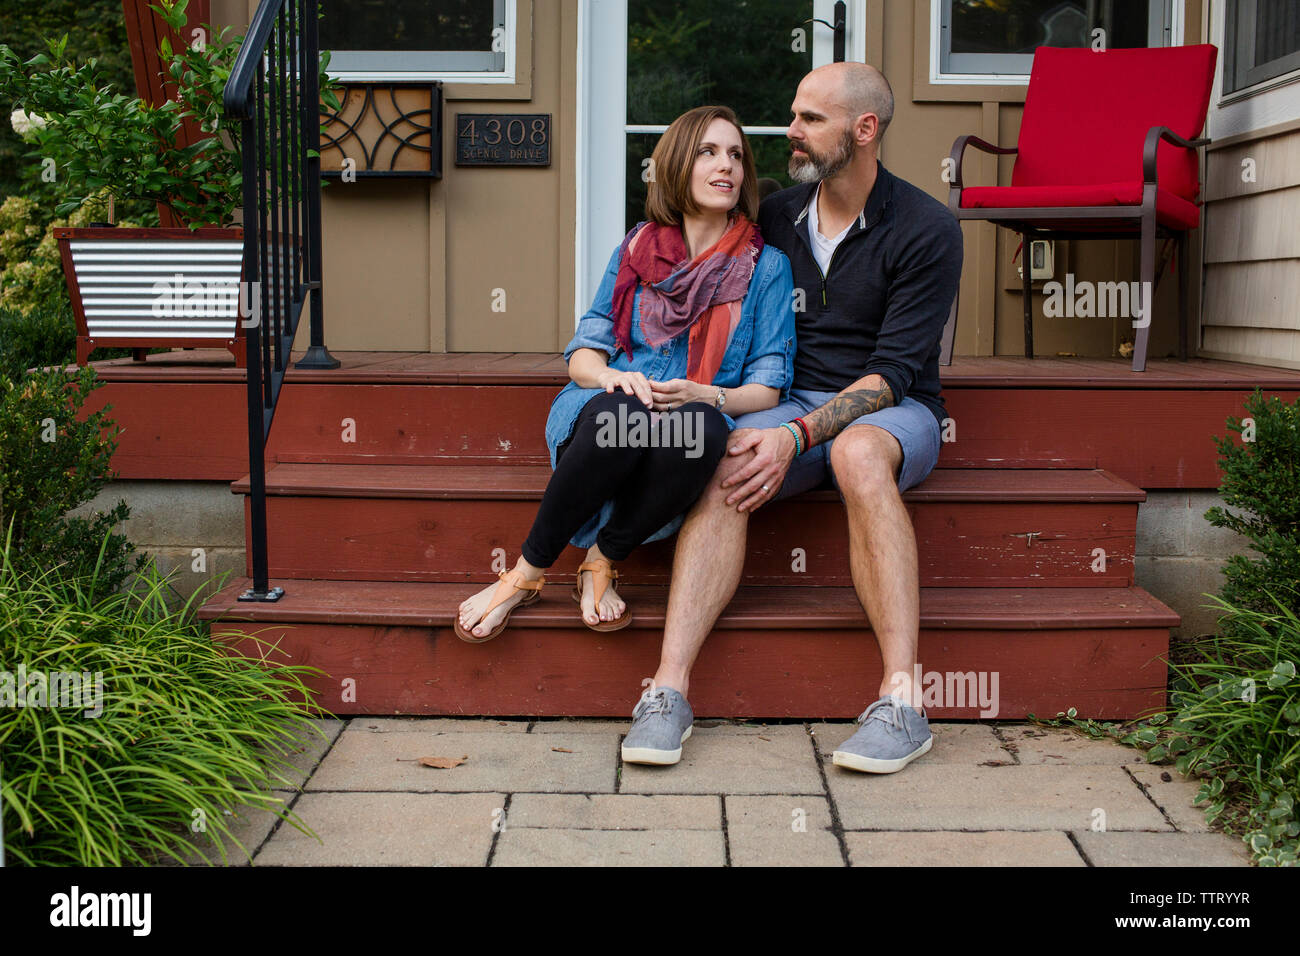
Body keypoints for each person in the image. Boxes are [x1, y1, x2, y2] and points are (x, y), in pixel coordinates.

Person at [620, 62, 963, 771]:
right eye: (794, 114)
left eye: (811, 118)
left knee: (858, 453)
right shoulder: (776, 217)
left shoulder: (927, 228)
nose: (792, 131)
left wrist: (796, 435)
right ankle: (667, 690)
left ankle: (903, 703)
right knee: (729, 454)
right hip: (786, 402)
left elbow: (892, 375)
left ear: (863, 130)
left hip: (894, 410)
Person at [455, 105, 796, 645]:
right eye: (708, 152)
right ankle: (526, 571)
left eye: (735, 154)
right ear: (679, 165)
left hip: (685, 423)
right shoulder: (636, 248)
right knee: (624, 410)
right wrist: (610, 378)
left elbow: (768, 384)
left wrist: (706, 393)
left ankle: (603, 558)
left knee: (704, 427)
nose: (725, 165)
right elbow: (584, 353)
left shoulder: (767, 266)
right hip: (606, 416)